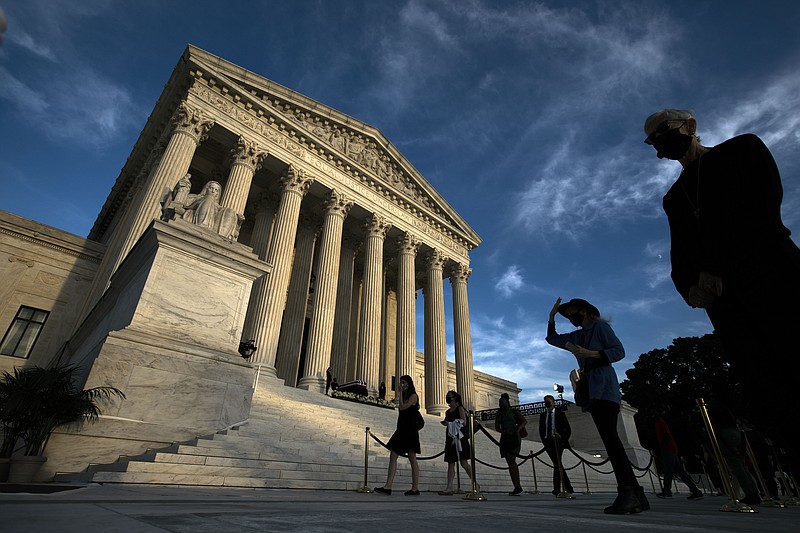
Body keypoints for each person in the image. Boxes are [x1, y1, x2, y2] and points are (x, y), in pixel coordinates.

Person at [643, 109, 800, 466]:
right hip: (725, 301)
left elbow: (764, 204)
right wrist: (686, 286)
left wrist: (716, 265)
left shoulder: (743, 149)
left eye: (663, 132)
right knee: (766, 388)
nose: (659, 144)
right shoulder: (674, 197)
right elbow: (680, 250)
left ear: (691, 127)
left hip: (773, 273)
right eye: (652, 140)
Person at [546, 297, 649, 514]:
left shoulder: (600, 327)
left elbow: (618, 351)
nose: (571, 318)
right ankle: (636, 494)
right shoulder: (577, 335)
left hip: (605, 384)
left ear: (584, 311)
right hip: (590, 389)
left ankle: (627, 492)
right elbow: (552, 339)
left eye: (573, 313)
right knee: (610, 440)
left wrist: (591, 353)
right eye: (568, 315)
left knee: (612, 441)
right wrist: (552, 317)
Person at [374, 375, 420, 496]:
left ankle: (414, 488)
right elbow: (401, 410)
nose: (402, 385)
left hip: (409, 431)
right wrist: (401, 394)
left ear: (409, 384)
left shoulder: (413, 396)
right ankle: (388, 486)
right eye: (400, 383)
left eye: (404, 383)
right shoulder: (404, 396)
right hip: (402, 429)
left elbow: (403, 408)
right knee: (394, 455)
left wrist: (399, 393)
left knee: (412, 458)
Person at [654, 414, 703, 500]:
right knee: (681, 472)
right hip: (671, 448)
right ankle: (696, 491)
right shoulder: (661, 422)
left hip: (668, 448)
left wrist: (665, 448)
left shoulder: (661, 423)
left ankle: (667, 492)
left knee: (668, 470)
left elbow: (666, 435)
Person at [438, 390, 478, 495]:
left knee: (464, 463)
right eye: (447, 397)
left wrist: (450, 423)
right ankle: (449, 487)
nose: (448, 398)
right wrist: (447, 424)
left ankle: (475, 484)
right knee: (450, 463)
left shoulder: (460, 408)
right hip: (450, 438)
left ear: (455, 398)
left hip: (460, 438)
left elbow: (464, 422)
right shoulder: (447, 412)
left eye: (449, 397)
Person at [539, 394, 574, 496]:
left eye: (548, 401)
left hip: (558, 441)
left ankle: (557, 488)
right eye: (545, 401)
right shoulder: (543, 415)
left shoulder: (560, 414)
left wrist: (562, 438)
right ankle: (568, 486)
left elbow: (568, 429)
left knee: (557, 463)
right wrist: (544, 440)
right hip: (548, 441)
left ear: (553, 402)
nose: (546, 403)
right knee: (557, 464)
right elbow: (541, 429)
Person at [495, 392, 526, 495]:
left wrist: (518, 429)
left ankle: (518, 486)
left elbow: (524, 421)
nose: (501, 404)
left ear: (507, 402)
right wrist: (505, 432)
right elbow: (497, 427)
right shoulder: (499, 414)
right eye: (500, 402)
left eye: (503, 402)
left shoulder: (514, 411)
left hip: (514, 437)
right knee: (510, 462)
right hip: (505, 437)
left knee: (512, 461)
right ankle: (516, 486)